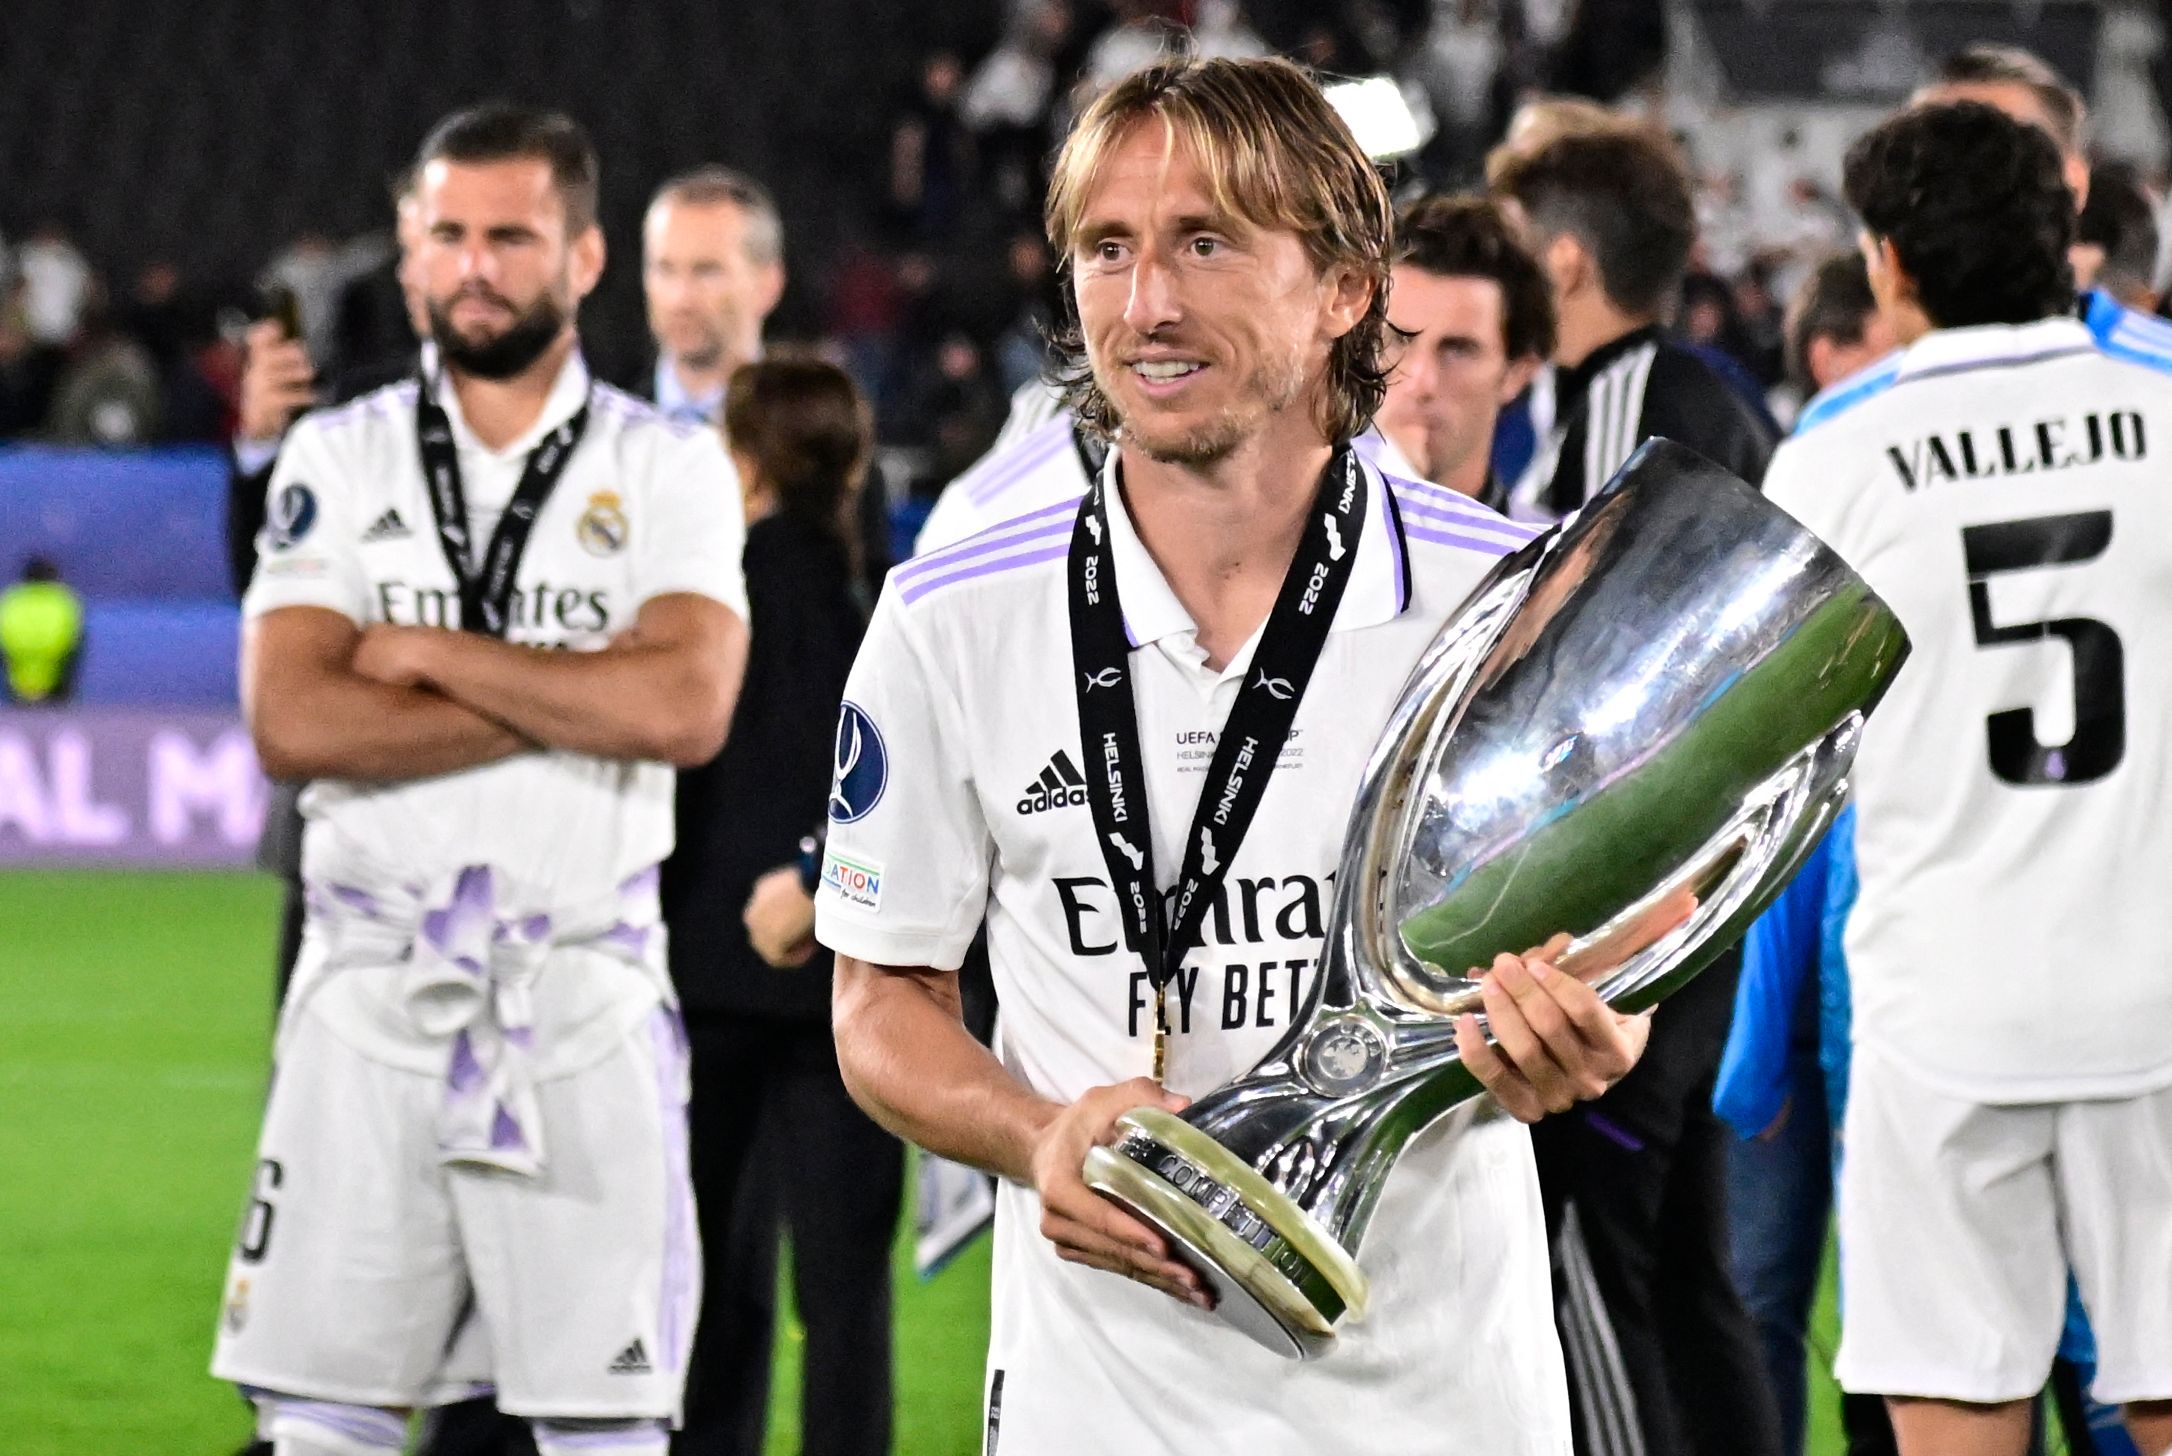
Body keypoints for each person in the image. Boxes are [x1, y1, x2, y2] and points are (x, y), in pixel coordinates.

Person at [816, 56, 1657, 1456]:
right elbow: (878, 1004)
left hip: (1435, 1400)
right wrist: (1033, 1133)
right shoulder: (951, 613)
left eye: (1206, 242)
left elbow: (1612, 973)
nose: (1147, 305)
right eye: (1109, 249)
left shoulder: (1514, 600)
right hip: (1103, 1407)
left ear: (1343, 289)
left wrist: (1585, 1039)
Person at [208, 103, 751, 1456]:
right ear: (405, 259)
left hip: (583, 1000)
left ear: (581, 260)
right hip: (365, 1006)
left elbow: (684, 706)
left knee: (607, 1430)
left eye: (510, 235)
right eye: (444, 235)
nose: (474, 265)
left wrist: (429, 658)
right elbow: (293, 718)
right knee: (322, 1427)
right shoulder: (337, 456)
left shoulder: (670, 463)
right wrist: (574, 690)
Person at [1763, 98, 2172, 1456]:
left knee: (1955, 1413)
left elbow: (1772, 757)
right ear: (2068, 242)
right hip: (2159, 999)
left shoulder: (1831, 458)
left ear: (1885, 261)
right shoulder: (2165, 406)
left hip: (1945, 1015)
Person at [1492, 117, 1785, 1456]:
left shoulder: (1625, 414)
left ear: (1559, 263)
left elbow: (1582, 698)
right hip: (1707, 915)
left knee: (1587, 1271)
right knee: (1686, 1273)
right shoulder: (1712, 393)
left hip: (1641, 929)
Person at [660, 358, 901, 1456]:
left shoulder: (707, 599)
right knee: (848, 1296)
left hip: (709, 981)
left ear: (744, 460)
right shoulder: (886, 606)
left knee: (711, 1275)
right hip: (853, 988)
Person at [1374, 194, 1554, 512]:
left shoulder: (1548, 557)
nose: (1422, 382)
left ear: (1517, 373)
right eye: (1398, 341)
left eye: (1457, 351)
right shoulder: (1284, 537)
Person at [639, 169, 785, 427]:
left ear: (768, 285)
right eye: (665, 269)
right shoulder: (592, 435)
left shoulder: (812, 442)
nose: (680, 299)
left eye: (707, 272)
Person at [0, 556, 83, 704]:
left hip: (16, 684)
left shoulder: (10, 600)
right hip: (56, 683)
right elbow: (72, 643)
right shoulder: (64, 600)